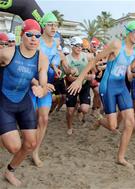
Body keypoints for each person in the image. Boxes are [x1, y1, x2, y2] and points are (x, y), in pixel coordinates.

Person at [67, 20, 135, 168]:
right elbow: (94, 60)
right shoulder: (116, 45)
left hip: (121, 86)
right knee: (113, 126)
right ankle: (100, 121)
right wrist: (79, 80)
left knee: (130, 122)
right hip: (108, 87)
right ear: (128, 33)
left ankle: (120, 157)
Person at [0, 19, 48, 187]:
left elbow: (43, 80)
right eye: (29, 35)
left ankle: (9, 171)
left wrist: (41, 89)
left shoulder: (41, 58)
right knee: (14, 147)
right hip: (4, 101)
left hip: (24, 101)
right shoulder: (7, 53)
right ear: (22, 35)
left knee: (31, 144)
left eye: (37, 36)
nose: (34, 38)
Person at [30, 12, 61, 167]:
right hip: (31, 85)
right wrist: (36, 83)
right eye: (50, 24)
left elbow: (53, 60)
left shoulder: (55, 43)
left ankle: (35, 151)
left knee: (44, 119)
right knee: (31, 118)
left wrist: (56, 68)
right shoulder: (35, 41)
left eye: (55, 24)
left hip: (46, 86)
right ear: (43, 26)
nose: (53, 27)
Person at [65, 36, 94, 135]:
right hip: (72, 85)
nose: (79, 48)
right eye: (77, 45)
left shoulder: (87, 56)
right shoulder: (67, 59)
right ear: (71, 46)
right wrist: (86, 77)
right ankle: (69, 127)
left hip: (84, 85)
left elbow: (93, 65)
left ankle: (79, 110)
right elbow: (69, 78)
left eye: (81, 46)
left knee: (85, 109)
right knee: (69, 111)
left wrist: (94, 73)